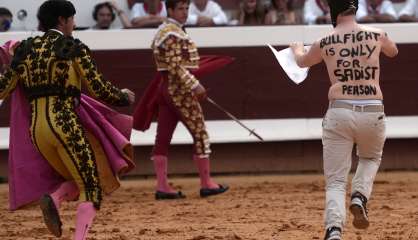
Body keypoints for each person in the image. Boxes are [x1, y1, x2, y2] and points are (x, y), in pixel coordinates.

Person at [0, 1, 135, 239]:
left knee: (78, 175)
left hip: (37, 132)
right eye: (71, 19)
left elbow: (3, 89)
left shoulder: (25, 50)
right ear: (62, 20)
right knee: (91, 188)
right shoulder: (72, 47)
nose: (73, 24)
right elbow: (99, 88)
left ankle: (54, 198)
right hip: (65, 127)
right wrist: (123, 97)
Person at [289, 0, 398, 239]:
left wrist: (297, 48)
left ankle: (334, 230)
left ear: (333, 10)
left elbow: (301, 62)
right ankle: (360, 195)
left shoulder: (324, 41)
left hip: (339, 111)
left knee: (336, 180)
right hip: (372, 110)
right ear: (355, 9)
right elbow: (393, 51)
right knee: (370, 158)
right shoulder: (377, 35)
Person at [133, 0, 229, 200]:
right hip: (180, 92)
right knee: (200, 133)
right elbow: (176, 67)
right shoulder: (171, 33)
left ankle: (162, 187)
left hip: (167, 90)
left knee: (163, 137)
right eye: (180, 9)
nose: (185, 12)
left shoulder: (166, 31)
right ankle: (206, 183)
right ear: (170, 10)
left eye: (186, 8)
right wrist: (195, 84)